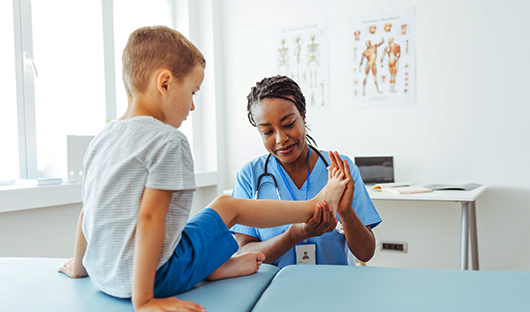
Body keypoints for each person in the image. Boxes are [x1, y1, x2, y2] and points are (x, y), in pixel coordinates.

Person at [56, 26, 351, 312]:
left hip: (103, 275)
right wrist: (144, 300)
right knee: (227, 206)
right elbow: (149, 218)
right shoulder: (167, 140)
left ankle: (216, 266)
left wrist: (79, 267)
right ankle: (312, 204)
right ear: (165, 83)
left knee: (197, 224)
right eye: (193, 92)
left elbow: (87, 213)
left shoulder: (103, 138)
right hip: (151, 282)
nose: (192, 107)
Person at [231, 75, 382, 269]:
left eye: (288, 124)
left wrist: (346, 213)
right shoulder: (250, 176)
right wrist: (294, 235)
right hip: (274, 291)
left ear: (302, 116)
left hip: (335, 290)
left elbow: (366, 253)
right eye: (268, 132)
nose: (280, 139)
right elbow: (243, 253)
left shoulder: (340, 170)